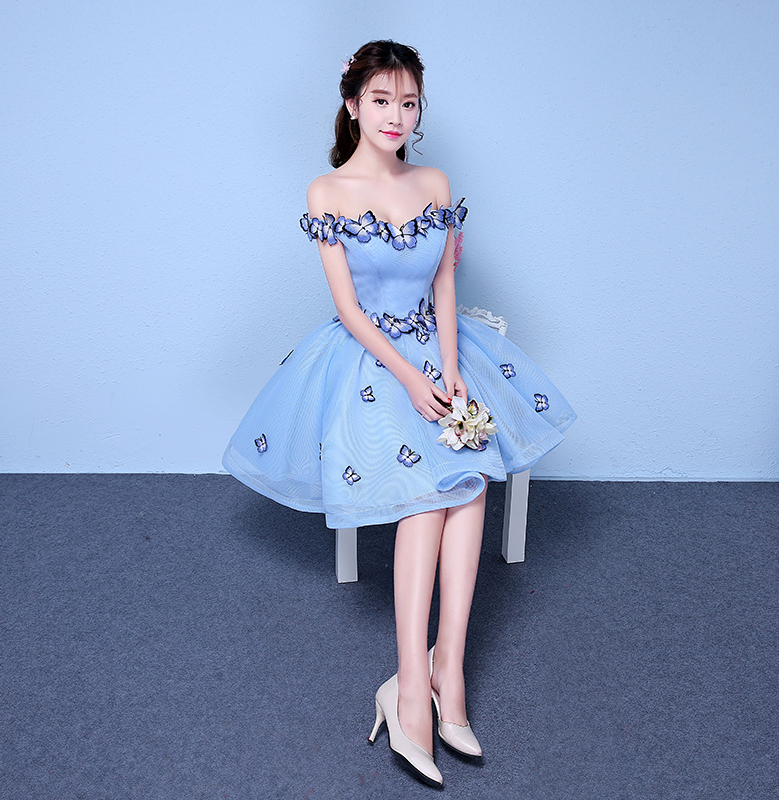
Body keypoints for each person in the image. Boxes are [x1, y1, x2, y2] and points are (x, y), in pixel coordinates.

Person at [222, 40, 576, 787]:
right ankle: (411, 683)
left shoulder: (434, 181)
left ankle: (450, 666)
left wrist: (450, 370)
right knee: (427, 494)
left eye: (408, 102)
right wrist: (413, 380)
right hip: (371, 362)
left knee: (471, 481)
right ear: (353, 105)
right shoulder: (327, 191)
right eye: (381, 101)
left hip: (437, 349)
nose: (396, 116)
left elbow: (445, 285)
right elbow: (349, 310)